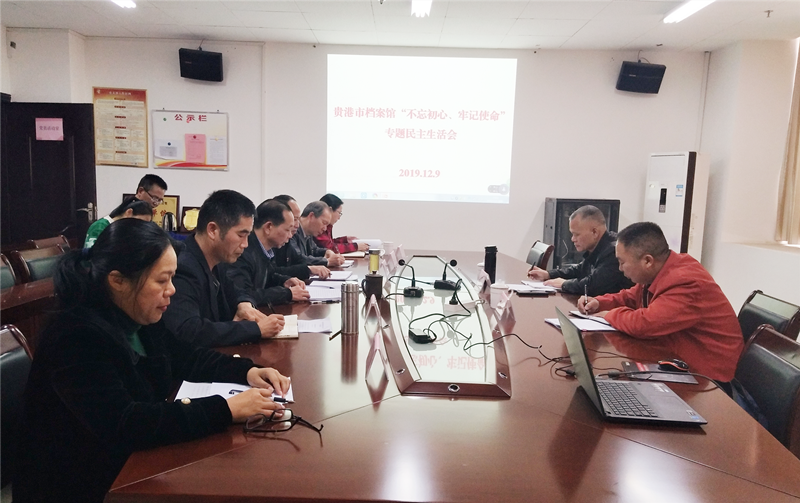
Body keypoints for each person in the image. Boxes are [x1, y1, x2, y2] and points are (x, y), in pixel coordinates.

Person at [12, 218, 290, 503]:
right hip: (77, 484)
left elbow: (185, 356)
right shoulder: (75, 336)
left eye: (172, 278)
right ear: (118, 281)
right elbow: (125, 424)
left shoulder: (137, 313)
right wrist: (226, 409)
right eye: (161, 280)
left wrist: (247, 371)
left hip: (125, 467)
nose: (172, 290)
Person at [579, 221, 744, 384]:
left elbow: (645, 324)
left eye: (622, 262)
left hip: (710, 378)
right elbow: (630, 297)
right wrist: (599, 302)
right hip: (675, 359)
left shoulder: (685, 281)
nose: (620, 269)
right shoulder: (658, 271)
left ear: (647, 261)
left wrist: (609, 315)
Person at [162, 190, 285, 347]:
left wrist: (244, 303)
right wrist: (256, 329)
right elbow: (189, 329)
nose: (245, 244)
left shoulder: (217, 261)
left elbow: (237, 291)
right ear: (213, 230)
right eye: (241, 235)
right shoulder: (183, 267)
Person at [528, 205, 633, 296]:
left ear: (595, 232)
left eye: (576, 234)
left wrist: (564, 284)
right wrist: (548, 274)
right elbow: (579, 270)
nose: (572, 239)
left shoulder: (613, 251)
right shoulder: (598, 246)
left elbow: (592, 286)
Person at [223, 199, 310, 308]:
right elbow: (244, 295)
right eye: (287, 230)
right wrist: (287, 294)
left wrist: (284, 281)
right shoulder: (243, 251)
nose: (290, 236)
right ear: (268, 227)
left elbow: (268, 275)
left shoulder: (265, 249)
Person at [290, 201, 345, 268]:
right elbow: (298, 259)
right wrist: (327, 261)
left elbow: (315, 250)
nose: (325, 229)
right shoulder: (292, 232)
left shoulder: (308, 232)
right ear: (311, 216)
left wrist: (327, 252)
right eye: (324, 223)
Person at [84, 199, 153, 248]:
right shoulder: (100, 226)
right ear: (129, 212)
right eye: (140, 222)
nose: (141, 227)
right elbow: (91, 257)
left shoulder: (126, 230)